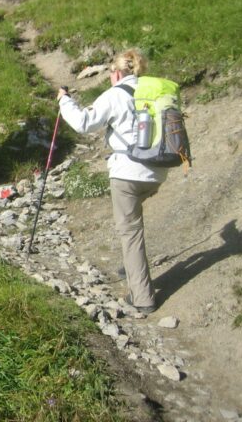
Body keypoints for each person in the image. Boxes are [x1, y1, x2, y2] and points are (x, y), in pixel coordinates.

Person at [57, 48, 167, 314]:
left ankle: (142, 297)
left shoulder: (116, 94)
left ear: (117, 72)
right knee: (132, 224)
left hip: (127, 173)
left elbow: (84, 123)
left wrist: (64, 101)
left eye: (110, 73)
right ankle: (134, 268)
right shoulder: (155, 91)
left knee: (130, 232)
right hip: (158, 171)